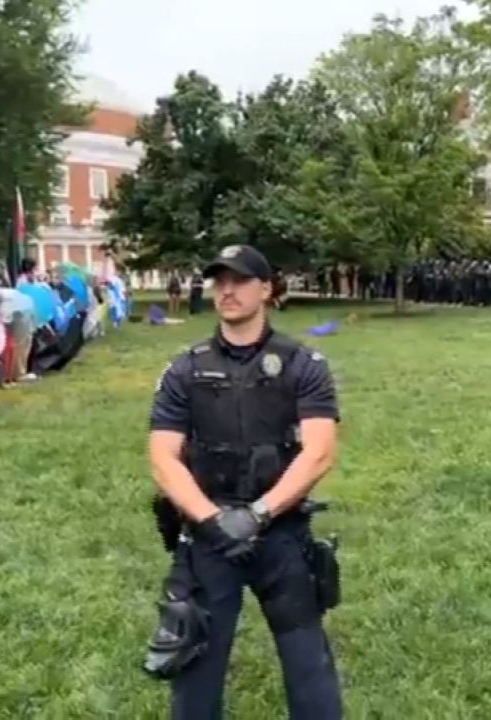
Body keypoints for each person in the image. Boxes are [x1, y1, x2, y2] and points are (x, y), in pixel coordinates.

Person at [144, 244, 343, 720]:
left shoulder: (302, 365)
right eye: (220, 281)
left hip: (281, 535)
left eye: (239, 281)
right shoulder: (184, 369)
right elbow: (162, 458)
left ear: (267, 288)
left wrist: (258, 514)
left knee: (308, 665)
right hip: (209, 538)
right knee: (196, 670)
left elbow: (318, 453)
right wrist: (214, 523)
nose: (227, 291)